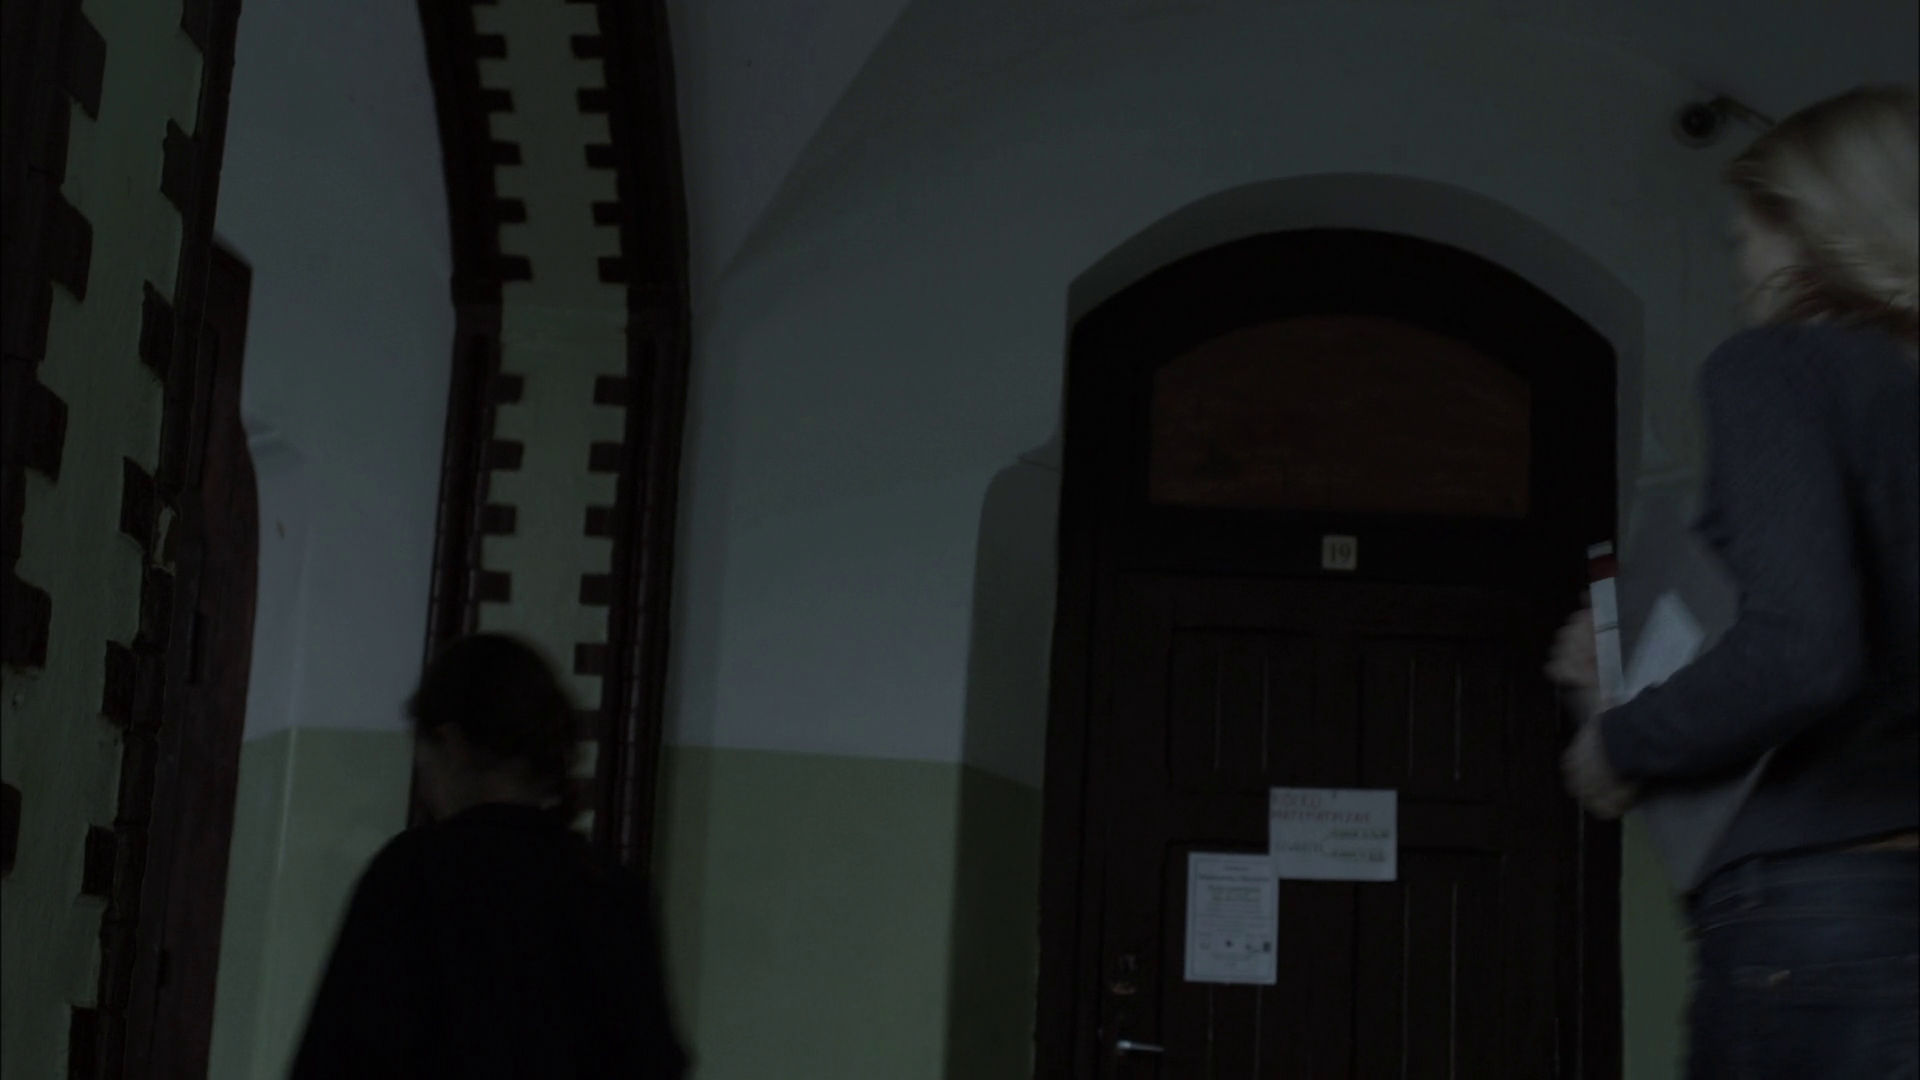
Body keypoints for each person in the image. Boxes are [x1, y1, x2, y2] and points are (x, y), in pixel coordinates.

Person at [1547, 84, 1918, 1079]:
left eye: (1745, 234)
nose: (1743, 266)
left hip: (1820, 925)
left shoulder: (1784, 367)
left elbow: (1804, 649)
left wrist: (1618, 738)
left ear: (1810, 228)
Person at [289, 633, 690, 1079]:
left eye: (424, 759)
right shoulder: (613, 890)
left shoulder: (413, 875)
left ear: (452, 745)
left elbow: (338, 1059)